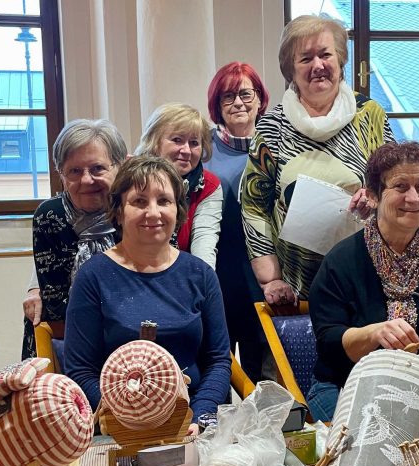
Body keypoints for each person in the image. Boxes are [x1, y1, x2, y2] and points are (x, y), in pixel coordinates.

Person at [307, 142, 419, 422]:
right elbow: (329, 342)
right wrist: (373, 333)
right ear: (373, 195)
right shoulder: (339, 262)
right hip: (346, 385)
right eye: (401, 187)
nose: (414, 198)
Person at [63, 156, 231, 434]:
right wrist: (129, 418)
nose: (153, 213)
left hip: (192, 422)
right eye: (139, 202)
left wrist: (200, 415)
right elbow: (80, 369)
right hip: (120, 428)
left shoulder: (201, 275)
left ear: (178, 210)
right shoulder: (93, 277)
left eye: (163, 201)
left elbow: (218, 361)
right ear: (119, 211)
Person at [241, 14, 395, 306]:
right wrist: (270, 278)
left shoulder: (370, 115)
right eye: (305, 58)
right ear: (290, 69)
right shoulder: (272, 126)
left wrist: (375, 197)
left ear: (340, 60)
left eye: (325, 54)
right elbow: (254, 206)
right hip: (294, 289)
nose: (318, 65)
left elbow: (394, 184)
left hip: (365, 277)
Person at [20, 119, 128, 361]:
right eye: (75, 171)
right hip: (65, 336)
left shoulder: (136, 209)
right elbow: (56, 306)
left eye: (98, 168)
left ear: (120, 166)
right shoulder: (50, 216)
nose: (86, 180)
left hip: (132, 335)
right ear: (61, 175)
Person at [206, 62, 271, 382]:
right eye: (227, 96)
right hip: (218, 269)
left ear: (259, 99)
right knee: (218, 360)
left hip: (264, 269)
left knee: (262, 361)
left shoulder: (274, 144)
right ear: (217, 105)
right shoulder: (202, 146)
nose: (238, 103)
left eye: (246, 94)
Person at [136, 103, 222, 270]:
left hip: (182, 274)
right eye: (177, 140)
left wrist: (203, 280)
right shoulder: (130, 179)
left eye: (194, 143)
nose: (187, 150)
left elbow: (204, 246)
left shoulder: (208, 186)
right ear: (155, 141)